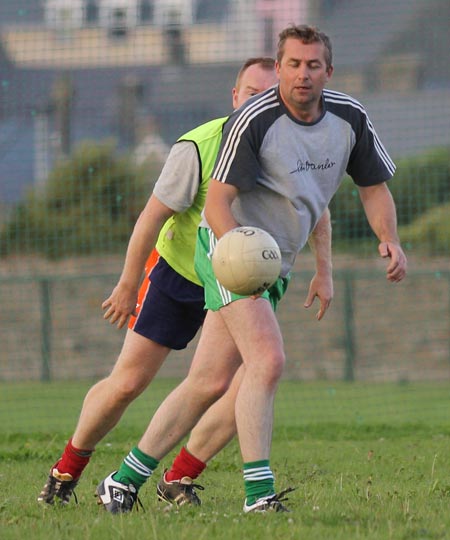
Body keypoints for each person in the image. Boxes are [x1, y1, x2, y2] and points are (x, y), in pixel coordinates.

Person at [96, 24, 407, 515]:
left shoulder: (350, 118)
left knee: (209, 383)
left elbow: (373, 187)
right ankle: (259, 496)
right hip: (230, 252)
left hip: (274, 263)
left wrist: (388, 239)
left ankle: (123, 479)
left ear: (329, 70)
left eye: (313, 64)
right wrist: (238, 251)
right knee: (269, 360)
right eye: (293, 64)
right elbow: (218, 202)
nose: (303, 74)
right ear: (280, 66)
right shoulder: (255, 121)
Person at [38, 56, 333, 506]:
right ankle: (65, 472)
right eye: (251, 94)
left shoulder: (290, 146)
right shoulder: (199, 145)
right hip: (180, 274)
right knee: (128, 383)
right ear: (234, 98)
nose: (260, 103)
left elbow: (316, 207)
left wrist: (323, 269)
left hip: (241, 282)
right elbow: (151, 218)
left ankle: (178, 478)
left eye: (269, 95)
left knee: (245, 384)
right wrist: (126, 282)